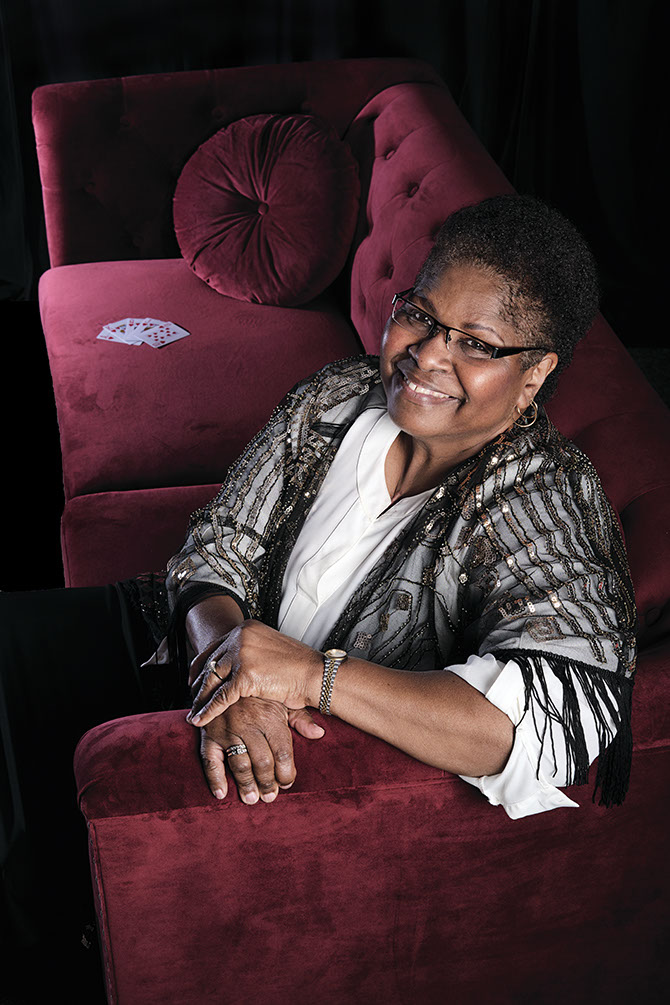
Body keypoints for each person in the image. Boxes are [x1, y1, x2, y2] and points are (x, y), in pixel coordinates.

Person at [0, 194, 635, 999]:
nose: (426, 356)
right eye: (421, 315)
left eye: (475, 343)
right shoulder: (340, 394)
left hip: (305, 739)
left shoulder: (541, 498)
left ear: (535, 371)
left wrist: (308, 675)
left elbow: (545, 725)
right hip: (192, 645)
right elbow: (216, 547)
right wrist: (227, 658)